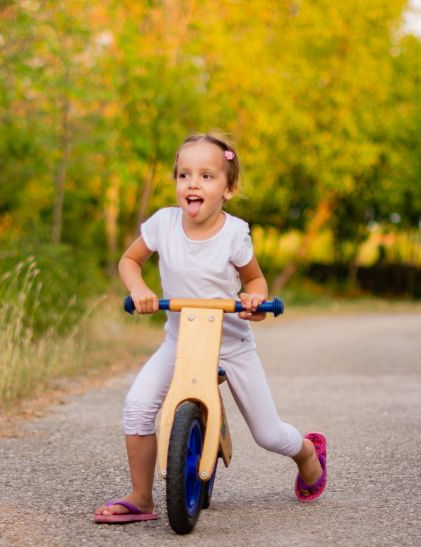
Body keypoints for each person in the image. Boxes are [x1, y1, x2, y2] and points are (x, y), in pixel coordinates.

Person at [93, 133, 326, 524]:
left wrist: (255, 303)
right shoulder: (163, 224)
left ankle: (305, 452)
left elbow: (255, 282)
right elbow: (130, 261)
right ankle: (142, 496)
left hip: (231, 343)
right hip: (180, 340)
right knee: (137, 406)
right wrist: (140, 289)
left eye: (206, 175)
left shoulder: (234, 234)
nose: (193, 183)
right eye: (184, 175)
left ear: (228, 188)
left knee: (268, 434)